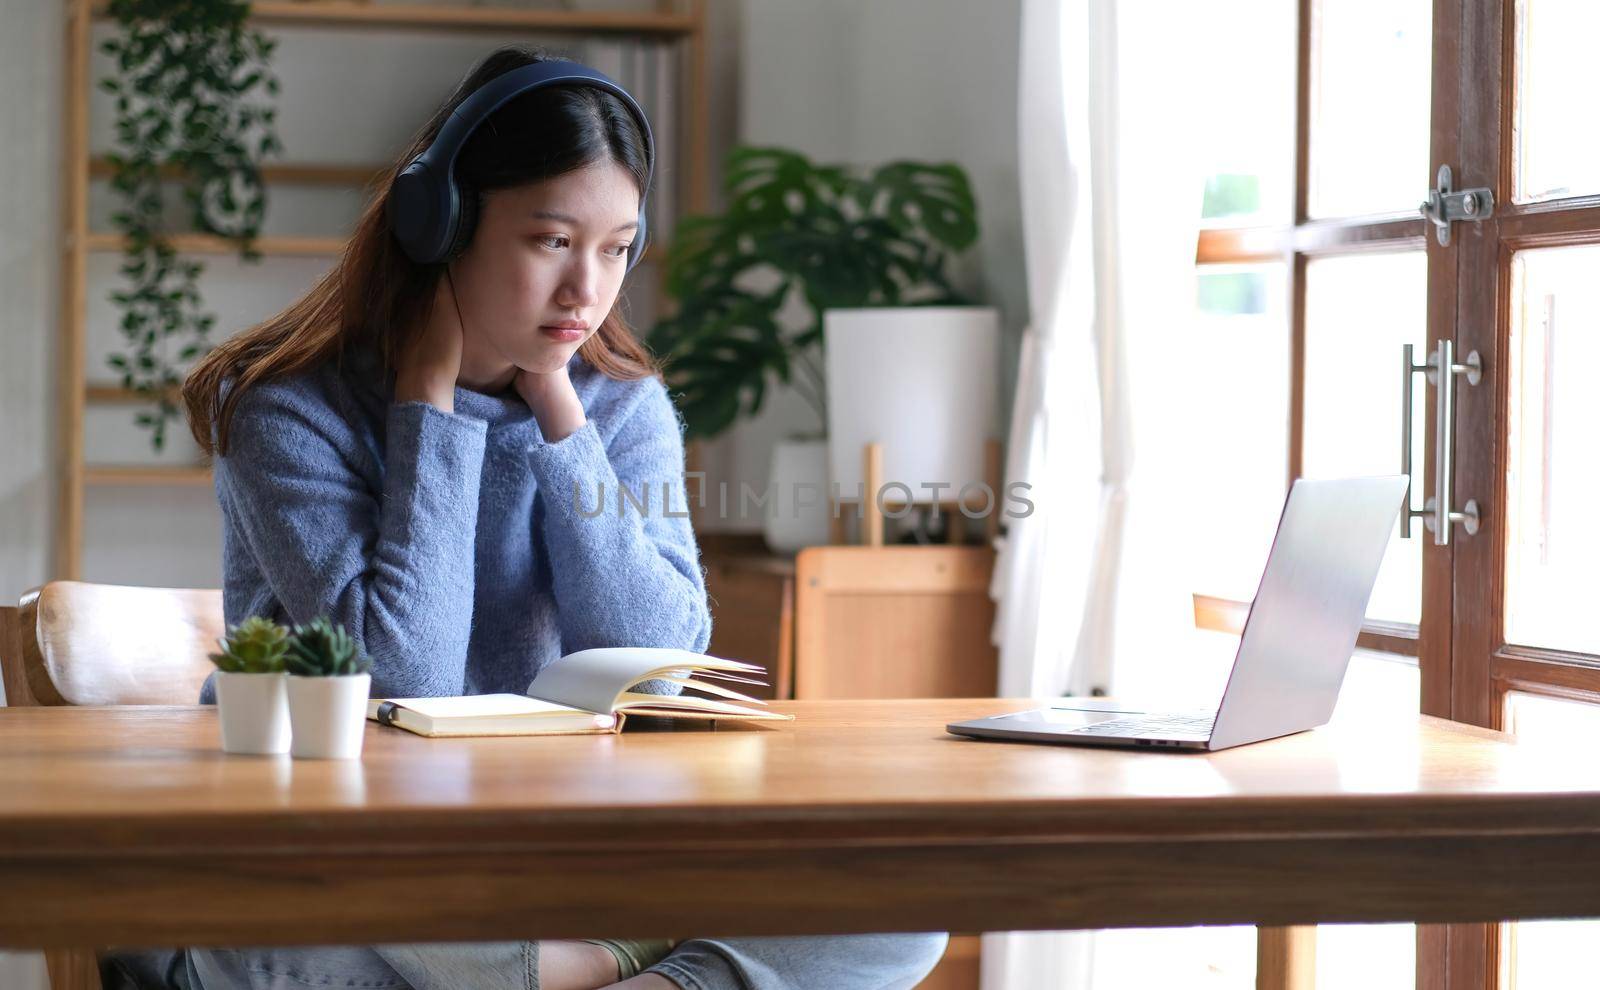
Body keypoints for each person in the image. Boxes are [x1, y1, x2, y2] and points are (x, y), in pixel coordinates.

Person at [158, 46, 948, 990]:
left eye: (616, 249)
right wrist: (428, 407)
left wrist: (563, 422)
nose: (587, 292)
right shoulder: (287, 412)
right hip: (358, 851)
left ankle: (588, 972)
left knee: (906, 904)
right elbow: (405, 677)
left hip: (557, 850)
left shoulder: (621, 408)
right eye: (550, 241)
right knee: (288, 936)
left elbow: (658, 659)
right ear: (439, 227)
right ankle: (612, 967)